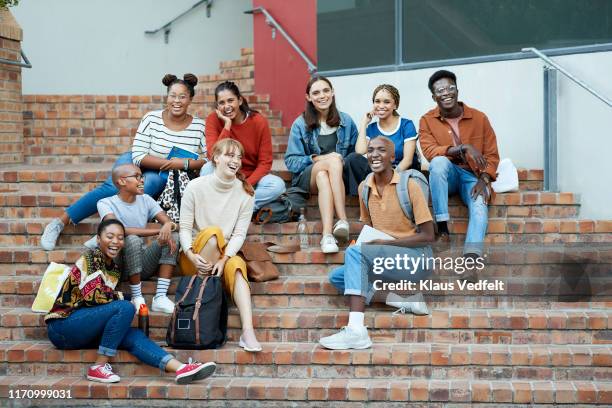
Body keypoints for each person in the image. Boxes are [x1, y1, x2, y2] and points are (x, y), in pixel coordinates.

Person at [41, 73, 207, 251]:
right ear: (167, 97)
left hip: (163, 174)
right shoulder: (151, 118)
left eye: (182, 96)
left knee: (148, 183)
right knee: (116, 185)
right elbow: (138, 156)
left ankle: (109, 231)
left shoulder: (199, 126)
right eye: (172, 95)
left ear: (190, 99)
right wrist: (170, 163)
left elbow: (209, 159)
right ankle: (59, 223)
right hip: (139, 159)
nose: (177, 101)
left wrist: (183, 164)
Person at [45, 218, 216, 384]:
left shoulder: (113, 268)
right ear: (98, 239)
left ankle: (180, 368)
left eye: (120, 238)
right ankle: (98, 366)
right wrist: (128, 299)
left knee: (133, 335)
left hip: (85, 327)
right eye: (109, 236)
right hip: (63, 325)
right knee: (125, 307)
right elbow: (94, 296)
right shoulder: (91, 257)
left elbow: (103, 299)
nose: (115, 241)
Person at [319, 136, 435, 350]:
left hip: (417, 259)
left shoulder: (408, 186)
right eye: (370, 150)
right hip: (385, 258)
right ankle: (402, 300)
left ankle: (356, 330)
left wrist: (384, 243)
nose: (374, 154)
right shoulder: (365, 187)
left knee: (356, 256)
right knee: (337, 277)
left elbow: (428, 235)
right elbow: (367, 228)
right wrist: (353, 237)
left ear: (392, 157)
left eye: (381, 150)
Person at [179, 138, 261, 352]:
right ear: (215, 158)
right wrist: (189, 253)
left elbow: (239, 233)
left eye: (238, 157)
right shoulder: (195, 186)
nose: (235, 161)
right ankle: (208, 296)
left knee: (237, 266)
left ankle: (248, 332)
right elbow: (185, 228)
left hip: (221, 261)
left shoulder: (246, 192)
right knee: (213, 233)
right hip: (194, 260)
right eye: (229, 155)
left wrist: (225, 259)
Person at [419, 70, 500, 257]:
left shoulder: (479, 118)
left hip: (472, 176)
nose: (446, 93)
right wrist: (462, 148)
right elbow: (430, 152)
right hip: (447, 175)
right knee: (438, 163)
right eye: (440, 90)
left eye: (450, 88)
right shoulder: (427, 120)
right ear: (434, 97)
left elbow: (492, 155)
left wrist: (485, 178)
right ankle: (443, 230)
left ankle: (471, 260)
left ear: (457, 90)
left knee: (479, 204)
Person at [285, 76, 362, 254]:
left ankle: (327, 235)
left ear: (333, 93)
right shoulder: (300, 124)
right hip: (307, 176)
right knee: (330, 162)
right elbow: (291, 161)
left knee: (324, 175)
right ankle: (342, 220)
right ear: (308, 97)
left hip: (334, 177)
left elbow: (353, 156)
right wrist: (318, 159)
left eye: (326, 91)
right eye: (316, 92)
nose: (322, 96)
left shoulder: (347, 121)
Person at [97, 164, 179, 314]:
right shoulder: (105, 203)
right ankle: (137, 297)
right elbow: (119, 230)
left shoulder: (146, 199)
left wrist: (168, 225)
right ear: (122, 181)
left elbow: (170, 223)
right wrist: (159, 230)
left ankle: (160, 297)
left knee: (172, 237)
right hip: (117, 265)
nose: (142, 180)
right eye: (137, 176)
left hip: (140, 264)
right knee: (132, 239)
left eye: (142, 176)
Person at [200, 81, 285, 211]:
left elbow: (265, 162)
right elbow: (213, 155)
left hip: (251, 179)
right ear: (217, 106)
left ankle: (232, 209)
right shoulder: (213, 119)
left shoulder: (258, 121)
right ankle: (240, 208)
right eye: (221, 103)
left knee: (277, 185)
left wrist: (246, 184)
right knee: (207, 169)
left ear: (239, 100)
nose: (226, 106)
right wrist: (227, 125)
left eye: (230, 100)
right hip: (224, 174)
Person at [355, 84, 420, 171]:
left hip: (402, 173)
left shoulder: (406, 125)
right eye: (377, 101)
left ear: (395, 105)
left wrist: (391, 178)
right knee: (353, 159)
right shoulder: (371, 128)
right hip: (379, 173)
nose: (381, 106)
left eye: (386, 102)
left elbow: (407, 161)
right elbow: (360, 152)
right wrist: (364, 123)